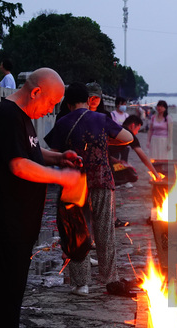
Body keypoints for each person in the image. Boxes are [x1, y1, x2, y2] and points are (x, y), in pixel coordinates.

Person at [0, 68, 82, 328]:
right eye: (51, 103)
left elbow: (33, 153)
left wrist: (57, 157)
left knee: (12, 285)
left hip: (20, 219)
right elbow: (18, 164)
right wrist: (61, 177)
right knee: (7, 287)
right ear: (36, 92)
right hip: (5, 218)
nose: (51, 110)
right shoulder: (7, 115)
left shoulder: (24, 117)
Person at [45, 82, 135, 297]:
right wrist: (105, 141)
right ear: (88, 101)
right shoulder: (101, 119)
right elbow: (128, 138)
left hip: (74, 183)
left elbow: (53, 152)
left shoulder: (63, 122)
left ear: (68, 103)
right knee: (105, 230)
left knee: (77, 232)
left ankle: (81, 284)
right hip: (102, 181)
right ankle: (110, 279)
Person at [109, 96, 131, 162]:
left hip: (125, 141)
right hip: (115, 141)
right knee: (115, 159)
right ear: (117, 105)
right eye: (122, 104)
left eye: (125, 104)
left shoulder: (126, 116)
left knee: (124, 159)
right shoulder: (112, 114)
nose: (124, 106)